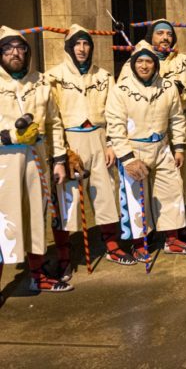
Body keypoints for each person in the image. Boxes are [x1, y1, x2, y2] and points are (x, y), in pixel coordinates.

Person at [47, 25, 132, 279]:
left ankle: (112, 245)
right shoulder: (54, 77)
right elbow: (51, 119)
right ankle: (64, 254)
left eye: (86, 44)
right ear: (69, 48)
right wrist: (61, 153)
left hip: (99, 138)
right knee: (66, 200)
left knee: (106, 194)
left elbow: (114, 113)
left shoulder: (104, 76)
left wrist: (111, 144)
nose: (82, 49)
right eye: (77, 44)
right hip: (70, 141)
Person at [106, 41, 186, 259]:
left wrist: (179, 148)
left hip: (162, 146)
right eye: (140, 61)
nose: (144, 66)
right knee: (138, 199)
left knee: (171, 192)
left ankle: (172, 238)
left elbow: (176, 118)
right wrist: (127, 159)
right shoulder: (121, 90)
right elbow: (115, 127)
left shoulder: (167, 87)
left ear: (155, 64)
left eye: (149, 61)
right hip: (135, 148)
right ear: (133, 64)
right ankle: (139, 243)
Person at [0, 27, 70, 295]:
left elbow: (54, 123)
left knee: (35, 220)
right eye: (8, 49)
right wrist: (10, 136)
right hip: (3, 165)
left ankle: (37, 275)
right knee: (2, 222)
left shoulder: (40, 82)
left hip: (36, 161)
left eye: (19, 48)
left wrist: (59, 160)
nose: (15, 53)